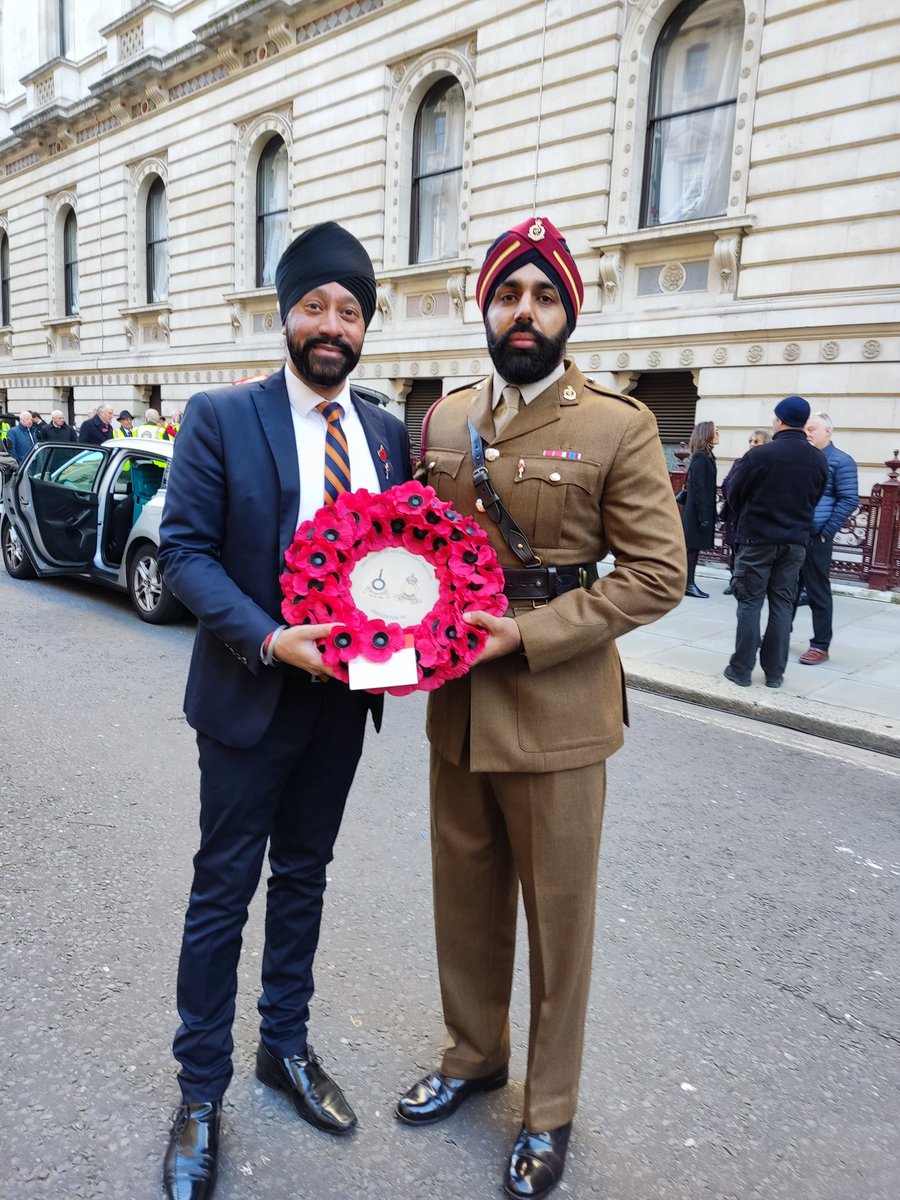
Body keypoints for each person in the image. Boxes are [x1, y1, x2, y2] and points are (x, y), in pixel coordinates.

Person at [396, 216, 686, 1200]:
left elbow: (656, 575)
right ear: (486, 306)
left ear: (569, 309)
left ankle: (549, 1109)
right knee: (465, 904)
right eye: (508, 295)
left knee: (557, 923)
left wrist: (536, 631)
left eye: (543, 295)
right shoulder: (442, 422)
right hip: (458, 707)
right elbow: (412, 548)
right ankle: (474, 1053)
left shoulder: (618, 424)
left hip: (559, 712)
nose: (524, 312)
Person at [158, 221, 411, 1200]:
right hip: (250, 694)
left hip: (342, 706)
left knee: (303, 878)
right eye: (316, 304)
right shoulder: (223, 417)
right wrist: (269, 637)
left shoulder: (383, 432)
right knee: (223, 893)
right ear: (286, 313)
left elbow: (400, 559)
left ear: (363, 328)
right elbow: (183, 553)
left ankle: (286, 1048)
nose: (332, 324)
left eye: (350, 310)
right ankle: (198, 1091)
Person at [722, 396, 827, 689]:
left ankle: (741, 669)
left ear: (779, 420)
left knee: (750, 602)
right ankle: (775, 673)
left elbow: (734, 494)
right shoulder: (818, 458)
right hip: (794, 542)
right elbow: (814, 499)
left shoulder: (759, 456)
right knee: (782, 604)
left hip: (757, 539)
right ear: (804, 423)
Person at [795, 412, 859, 665]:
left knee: (817, 590)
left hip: (817, 537)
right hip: (794, 533)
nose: (807, 432)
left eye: (813, 429)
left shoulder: (841, 461)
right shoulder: (803, 458)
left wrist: (826, 532)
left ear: (828, 431)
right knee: (787, 588)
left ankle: (820, 645)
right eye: (806, 428)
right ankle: (778, 634)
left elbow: (849, 499)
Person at [721, 429, 771, 594]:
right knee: (735, 549)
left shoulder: (770, 465)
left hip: (755, 515)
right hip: (736, 513)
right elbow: (727, 484)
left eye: (756, 442)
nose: (751, 444)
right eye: (750, 441)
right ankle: (733, 580)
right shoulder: (740, 462)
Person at [680, 420, 719, 598]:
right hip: (697, 512)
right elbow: (699, 489)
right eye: (715, 431)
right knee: (692, 548)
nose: (718, 434)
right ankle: (688, 584)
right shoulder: (701, 458)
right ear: (707, 434)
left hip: (699, 511)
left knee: (693, 549)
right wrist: (704, 517)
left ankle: (688, 583)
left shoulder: (706, 456)